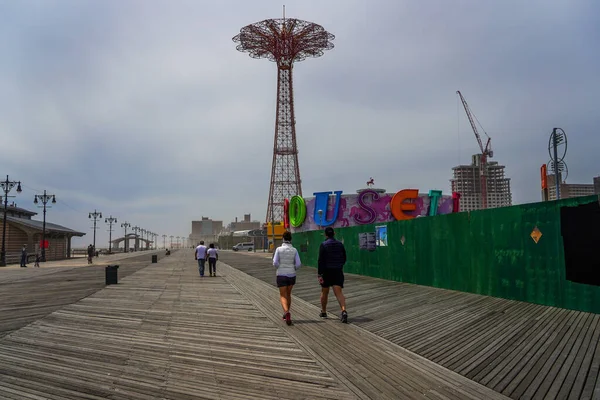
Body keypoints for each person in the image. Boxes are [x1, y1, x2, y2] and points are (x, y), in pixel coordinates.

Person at [318, 227, 348, 323]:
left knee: (324, 292)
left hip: (326, 272)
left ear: (325, 234)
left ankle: (323, 311)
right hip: (338, 271)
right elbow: (344, 257)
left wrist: (320, 274)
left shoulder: (323, 245)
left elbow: (320, 260)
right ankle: (343, 311)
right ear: (334, 233)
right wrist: (340, 266)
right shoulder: (340, 244)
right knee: (339, 293)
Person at [273, 231, 301, 326]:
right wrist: (293, 268)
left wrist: (279, 267)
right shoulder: (294, 250)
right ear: (291, 239)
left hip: (281, 274)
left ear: (283, 238)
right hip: (292, 275)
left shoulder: (279, 249)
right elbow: (298, 264)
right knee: (288, 294)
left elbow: (275, 262)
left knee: (282, 295)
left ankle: (286, 312)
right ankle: (287, 313)